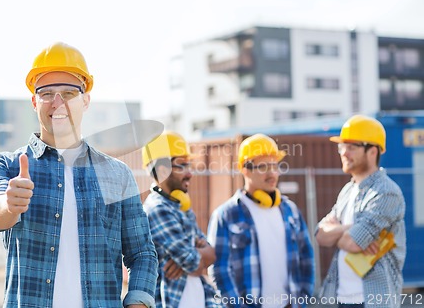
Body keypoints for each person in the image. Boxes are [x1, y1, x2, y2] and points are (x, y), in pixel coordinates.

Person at [0, 42, 158, 308]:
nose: (57, 102)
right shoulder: (8, 165)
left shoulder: (117, 175)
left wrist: (138, 302)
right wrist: (9, 205)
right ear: (34, 101)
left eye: (68, 92)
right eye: (46, 93)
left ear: (85, 101)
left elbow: (142, 253)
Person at [208, 133, 315, 308]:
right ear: (245, 169)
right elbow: (219, 270)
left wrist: (301, 301)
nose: (272, 173)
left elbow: (307, 258)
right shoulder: (226, 215)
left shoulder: (291, 211)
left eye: (275, 166)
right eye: (263, 167)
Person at [316, 115, 406, 308]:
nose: (343, 153)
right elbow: (320, 236)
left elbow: (353, 242)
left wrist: (339, 233)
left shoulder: (386, 192)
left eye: (351, 147)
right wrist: (349, 228)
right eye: (341, 146)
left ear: (372, 151)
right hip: (342, 299)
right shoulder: (347, 191)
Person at [141, 131, 222, 308]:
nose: (190, 173)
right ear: (163, 170)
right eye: (182, 166)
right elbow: (194, 263)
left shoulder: (180, 205)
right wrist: (197, 254)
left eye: (189, 165)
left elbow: (210, 256)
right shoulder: (158, 209)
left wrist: (194, 257)